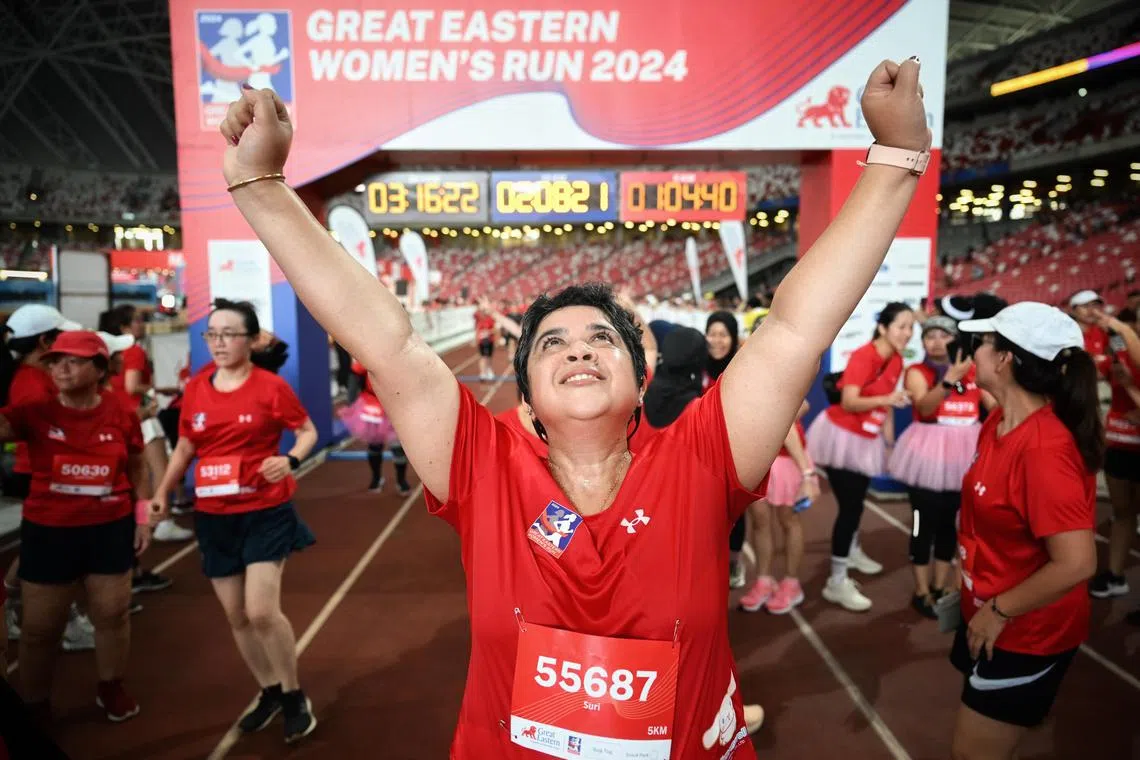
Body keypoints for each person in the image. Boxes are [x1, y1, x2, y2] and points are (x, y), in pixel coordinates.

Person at [218, 57, 932, 758]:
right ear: (525, 393)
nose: (579, 348)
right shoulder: (481, 468)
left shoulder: (701, 459)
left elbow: (793, 330)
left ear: (641, 374)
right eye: (552, 343)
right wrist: (261, 185)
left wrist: (896, 154)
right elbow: (390, 343)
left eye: (602, 338)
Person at [151, 300, 319, 745]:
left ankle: (293, 694)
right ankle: (268, 690)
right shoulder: (197, 389)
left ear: (249, 339)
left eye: (229, 334)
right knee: (236, 616)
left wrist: (289, 459)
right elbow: (185, 446)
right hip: (214, 516)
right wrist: (162, 493)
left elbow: (307, 431)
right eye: (212, 334)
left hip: (265, 511)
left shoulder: (270, 387)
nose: (219, 342)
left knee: (261, 611)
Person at [950, 302, 1099, 760]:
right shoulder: (999, 420)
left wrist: (999, 610)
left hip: (1025, 630)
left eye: (982, 344)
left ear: (1006, 359)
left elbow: (1077, 561)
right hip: (989, 612)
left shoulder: (1043, 450)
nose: (973, 353)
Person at [0, 331, 153, 725]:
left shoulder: (120, 411)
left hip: (109, 527)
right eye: (53, 361)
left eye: (72, 360)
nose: (60, 368)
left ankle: (110, 685)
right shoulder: (34, 410)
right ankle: (34, 702)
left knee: (113, 614)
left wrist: (142, 517)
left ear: (99, 368)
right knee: (38, 630)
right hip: (49, 531)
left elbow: (137, 464)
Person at [807, 302, 914, 612]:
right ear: (883, 327)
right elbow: (851, 401)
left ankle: (851, 551)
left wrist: (889, 443)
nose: (907, 333)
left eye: (911, 327)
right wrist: (887, 398)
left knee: (856, 503)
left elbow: (886, 408)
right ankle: (836, 581)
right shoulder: (863, 356)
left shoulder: (896, 360)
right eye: (901, 326)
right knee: (851, 508)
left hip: (868, 438)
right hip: (842, 435)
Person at [0, 305, 92, 649]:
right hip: (42, 474)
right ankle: (63, 622)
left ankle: (14, 607)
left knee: (40, 550)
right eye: (62, 338)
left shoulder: (36, 378)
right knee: (54, 552)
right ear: (44, 341)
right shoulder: (32, 386)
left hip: (45, 472)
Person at [888, 316, 992, 618]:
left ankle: (942, 586)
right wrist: (949, 379)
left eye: (943, 335)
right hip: (927, 454)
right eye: (929, 336)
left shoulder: (974, 370)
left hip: (964, 454)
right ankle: (921, 591)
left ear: (954, 340)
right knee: (923, 523)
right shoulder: (917, 371)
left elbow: (992, 405)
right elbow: (924, 406)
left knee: (951, 524)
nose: (936, 341)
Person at [739, 400, 816, 615]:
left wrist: (807, 474)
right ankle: (764, 580)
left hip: (788, 459)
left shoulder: (779, 375)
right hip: (758, 457)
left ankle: (791, 583)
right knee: (759, 521)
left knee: (788, 520)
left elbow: (803, 406)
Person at [1086, 308, 1140, 607]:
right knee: (1122, 512)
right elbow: (1089, 367)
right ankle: (1115, 575)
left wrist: (1131, 387)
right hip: (1119, 444)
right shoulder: (1114, 360)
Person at [705, 311, 749, 588]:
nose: (717, 341)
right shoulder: (697, 363)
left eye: (724, 335)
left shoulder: (742, 367)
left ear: (733, 338)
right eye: (713, 334)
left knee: (735, 512)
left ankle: (734, 561)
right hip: (703, 452)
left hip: (736, 451)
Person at [341, 358, 410, 494]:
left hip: (395, 406)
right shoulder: (367, 356)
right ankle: (376, 478)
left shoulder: (401, 357)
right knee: (374, 445)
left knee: (398, 447)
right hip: (372, 405)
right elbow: (354, 376)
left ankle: (401, 480)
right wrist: (351, 402)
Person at [1067, 290, 1111, 378]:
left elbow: (1115, 353)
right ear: (1072, 311)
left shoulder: (1103, 330)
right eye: (1085, 306)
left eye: (1095, 305)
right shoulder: (1067, 336)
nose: (1092, 311)